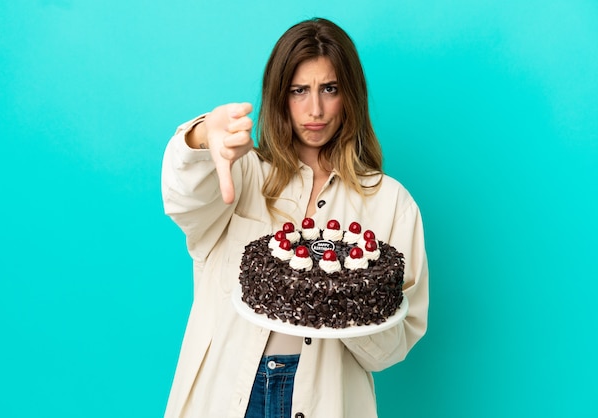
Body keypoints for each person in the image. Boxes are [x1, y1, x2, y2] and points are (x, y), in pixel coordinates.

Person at [161, 17, 429, 418]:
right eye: (298, 91)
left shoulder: (392, 203)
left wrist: (349, 303)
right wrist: (202, 137)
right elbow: (183, 198)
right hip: (226, 394)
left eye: (330, 89)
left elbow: (394, 346)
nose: (315, 109)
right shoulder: (242, 172)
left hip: (325, 401)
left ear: (350, 96)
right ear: (279, 97)